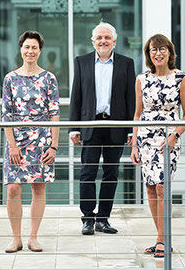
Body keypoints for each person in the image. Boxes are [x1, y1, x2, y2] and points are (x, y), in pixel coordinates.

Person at [130, 34, 185, 258]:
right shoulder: (141, 79)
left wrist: (175, 135)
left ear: (169, 52)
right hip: (145, 140)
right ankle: (160, 237)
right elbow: (137, 113)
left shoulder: (181, 78)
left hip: (168, 140)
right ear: (148, 55)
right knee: (149, 187)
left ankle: (162, 239)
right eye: (153, 50)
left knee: (162, 188)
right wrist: (134, 146)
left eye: (162, 49)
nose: (158, 53)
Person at [69, 21, 135, 235]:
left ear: (114, 41)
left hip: (115, 126)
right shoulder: (81, 62)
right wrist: (73, 128)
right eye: (99, 37)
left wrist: (131, 129)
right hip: (91, 125)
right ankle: (88, 219)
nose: (103, 41)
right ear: (93, 41)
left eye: (107, 37)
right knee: (87, 173)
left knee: (111, 174)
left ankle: (103, 219)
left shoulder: (127, 63)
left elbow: (130, 98)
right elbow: (76, 97)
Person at [2, 31, 60, 253]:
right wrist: (13, 145)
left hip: (42, 140)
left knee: (38, 187)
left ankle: (33, 237)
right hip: (15, 140)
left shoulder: (49, 78)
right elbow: (6, 114)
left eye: (34, 47)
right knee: (13, 189)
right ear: (21, 49)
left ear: (40, 50)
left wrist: (54, 145)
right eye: (26, 47)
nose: (30, 51)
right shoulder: (10, 78)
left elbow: (54, 113)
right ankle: (15, 238)